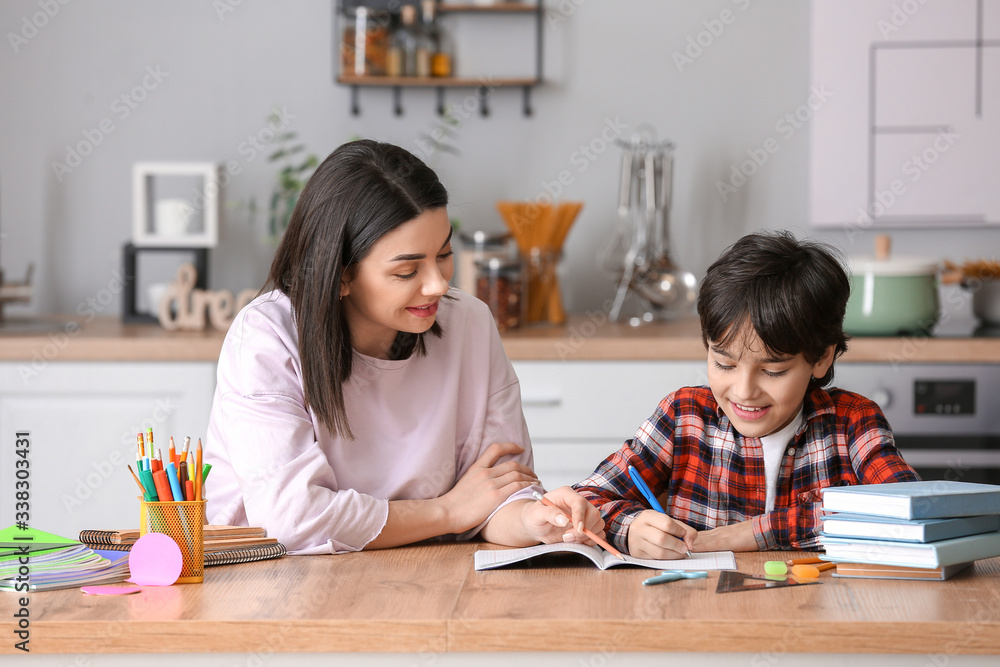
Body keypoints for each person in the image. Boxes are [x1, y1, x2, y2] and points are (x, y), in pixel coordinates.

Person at [205, 139, 602, 554]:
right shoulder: (267, 337)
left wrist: (533, 519)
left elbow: (494, 492)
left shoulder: (470, 323)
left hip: (425, 576)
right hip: (273, 586)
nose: (438, 284)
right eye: (408, 270)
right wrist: (446, 512)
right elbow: (292, 519)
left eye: (444, 254)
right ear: (339, 275)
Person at [574, 230, 920, 558]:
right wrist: (632, 529)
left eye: (773, 371)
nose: (744, 391)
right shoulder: (685, 416)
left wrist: (748, 534)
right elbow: (586, 500)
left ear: (822, 357)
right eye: (724, 364)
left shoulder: (852, 422)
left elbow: (909, 511)